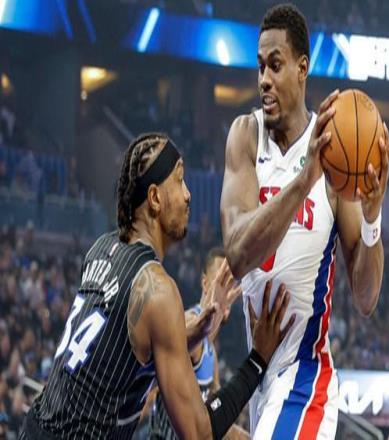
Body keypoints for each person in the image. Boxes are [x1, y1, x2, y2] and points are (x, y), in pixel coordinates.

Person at [20, 133, 293, 439]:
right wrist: (258, 359)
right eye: (179, 181)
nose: (188, 195)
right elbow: (199, 433)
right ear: (154, 198)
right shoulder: (157, 289)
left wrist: (201, 325)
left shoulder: (102, 248)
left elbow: (130, 344)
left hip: (35, 427)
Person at [220, 4, 389, 439]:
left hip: (305, 375)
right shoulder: (246, 135)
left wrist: (372, 219)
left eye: (275, 65)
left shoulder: (334, 156)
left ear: (302, 68)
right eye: (260, 67)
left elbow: (366, 298)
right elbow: (237, 254)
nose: (264, 79)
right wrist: (303, 179)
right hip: (260, 376)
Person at [148, 247, 249, 439]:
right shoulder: (187, 322)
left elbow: (215, 418)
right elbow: (180, 336)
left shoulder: (211, 353)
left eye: (231, 284)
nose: (227, 290)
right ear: (205, 283)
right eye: (222, 282)